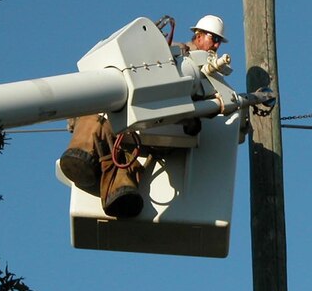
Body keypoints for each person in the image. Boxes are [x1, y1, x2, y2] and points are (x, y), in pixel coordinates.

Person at [59, 15, 228, 218]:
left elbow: (210, 107)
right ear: (198, 36)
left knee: (108, 131)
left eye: (218, 41)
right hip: (135, 123)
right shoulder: (175, 52)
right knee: (103, 129)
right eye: (213, 38)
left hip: (162, 129)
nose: (216, 45)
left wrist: (192, 119)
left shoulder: (209, 74)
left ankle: (104, 176)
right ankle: (89, 165)